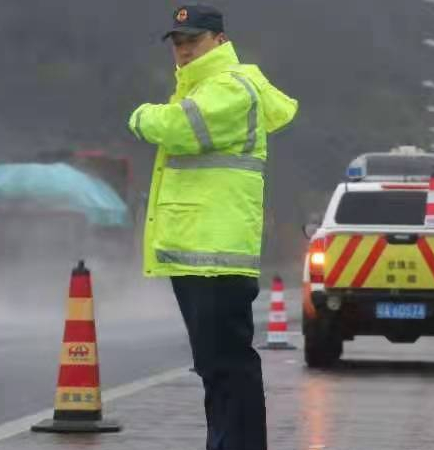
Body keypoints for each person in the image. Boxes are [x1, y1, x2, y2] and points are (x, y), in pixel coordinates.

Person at [127, 5, 298, 449]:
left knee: (227, 367)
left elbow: (179, 128)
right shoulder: (205, 88)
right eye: (178, 42)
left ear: (219, 41)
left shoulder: (230, 88)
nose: (183, 50)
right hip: (199, 253)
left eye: (193, 40)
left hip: (216, 254)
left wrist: (142, 115)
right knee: (216, 368)